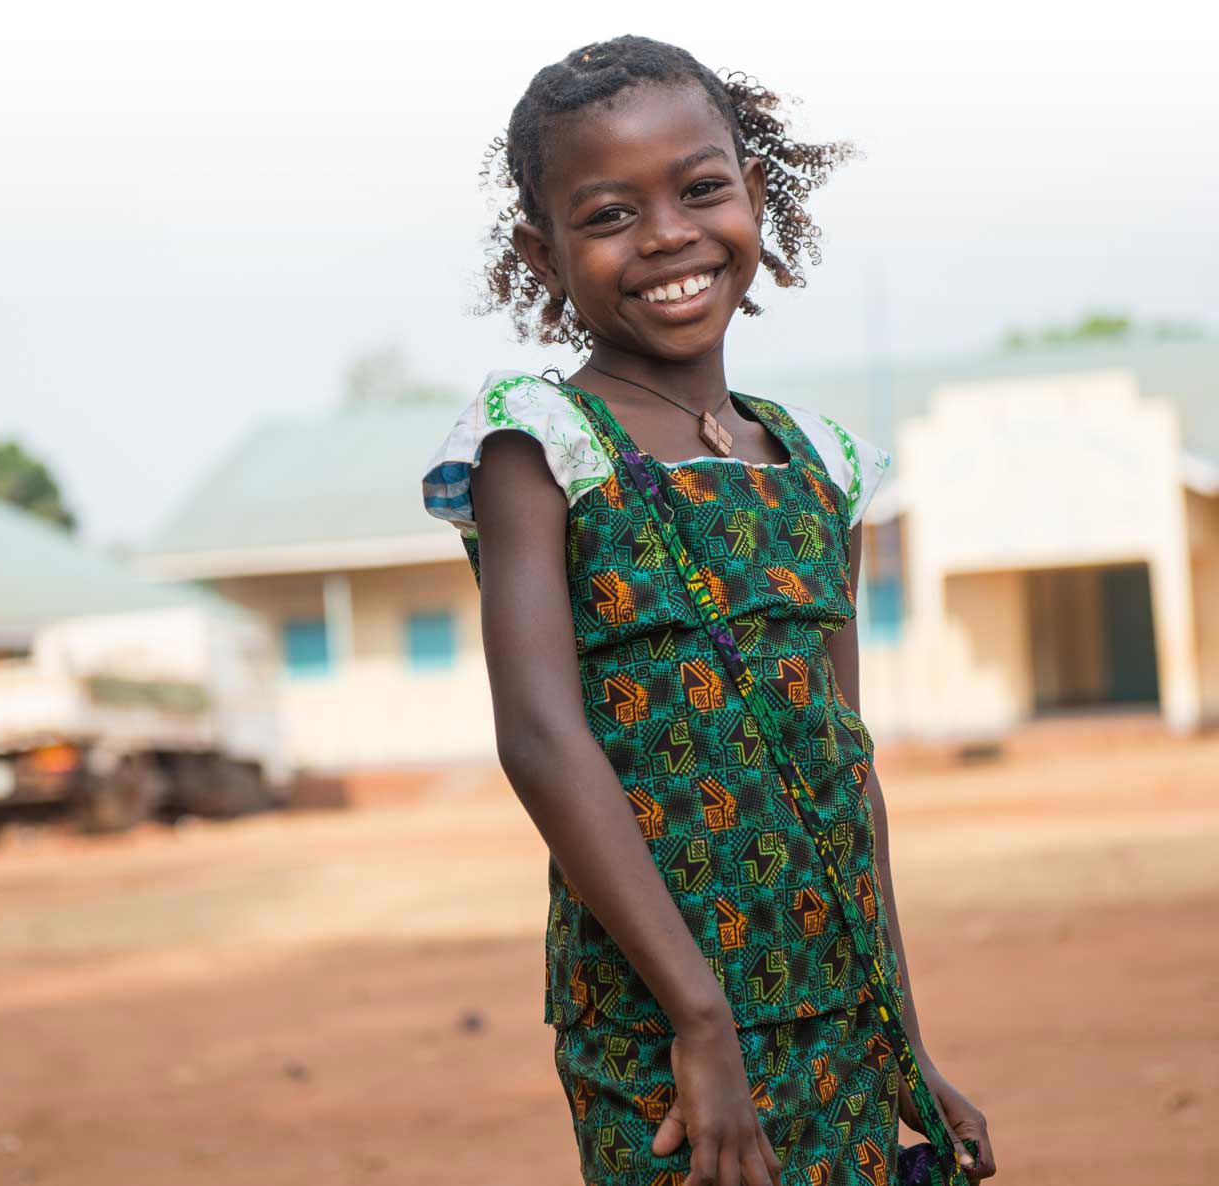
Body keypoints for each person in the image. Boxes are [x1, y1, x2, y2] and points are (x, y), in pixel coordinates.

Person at [420, 37, 994, 1186]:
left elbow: (842, 765)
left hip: (838, 997)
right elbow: (540, 737)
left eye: (699, 189)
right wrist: (699, 1018)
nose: (668, 236)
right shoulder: (536, 448)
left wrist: (903, 1032)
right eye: (608, 214)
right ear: (542, 252)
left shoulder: (821, 465)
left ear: (753, 197)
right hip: (657, 1023)